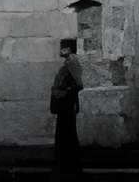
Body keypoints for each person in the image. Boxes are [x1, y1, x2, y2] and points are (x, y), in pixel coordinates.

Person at [49, 35, 84, 174]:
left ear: (68, 49)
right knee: (64, 130)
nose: (60, 50)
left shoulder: (72, 63)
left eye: (63, 47)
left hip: (67, 104)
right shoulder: (69, 62)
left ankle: (68, 159)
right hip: (65, 103)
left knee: (66, 130)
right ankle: (66, 158)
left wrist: (64, 92)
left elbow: (78, 84)